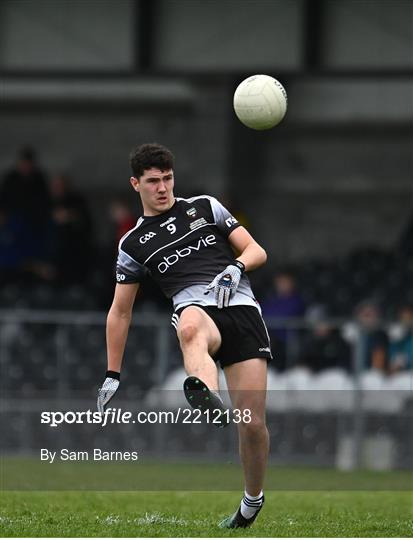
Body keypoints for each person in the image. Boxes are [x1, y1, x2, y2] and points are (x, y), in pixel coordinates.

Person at [97, 143, 271, 528]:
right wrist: (113, 373)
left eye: (168, 179)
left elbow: (257, 251)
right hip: (196, 309)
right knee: (189, 326)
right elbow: (120, 311)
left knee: (253, 424)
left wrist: (236, 267)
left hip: (241, 307)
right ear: (136, 184)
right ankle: (206, 394)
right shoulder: (132, 244)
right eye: (153, 181)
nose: (162, 187)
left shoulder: (206, 207)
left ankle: (251, 502)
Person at [261, 269, 306, 371]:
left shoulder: (296, 301)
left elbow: (285, 315)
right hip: (268, 339)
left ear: (292, 283)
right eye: (279, 282)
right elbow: (262, 313)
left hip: (286, 342)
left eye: (284, 282)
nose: (281, 285)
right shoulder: (272, 299)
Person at [354, 300, 389, 371]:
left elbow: (378, 361)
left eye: (371, 315)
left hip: (373, 375)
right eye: (366, 315)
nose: (368, 319)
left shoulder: (380, 336)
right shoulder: (352, 336)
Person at [389, 304, 413, 373]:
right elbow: (394, 361)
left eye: (409, 317)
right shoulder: (397, 336)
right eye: (403, 317)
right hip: (404, 375)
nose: (406, 320)